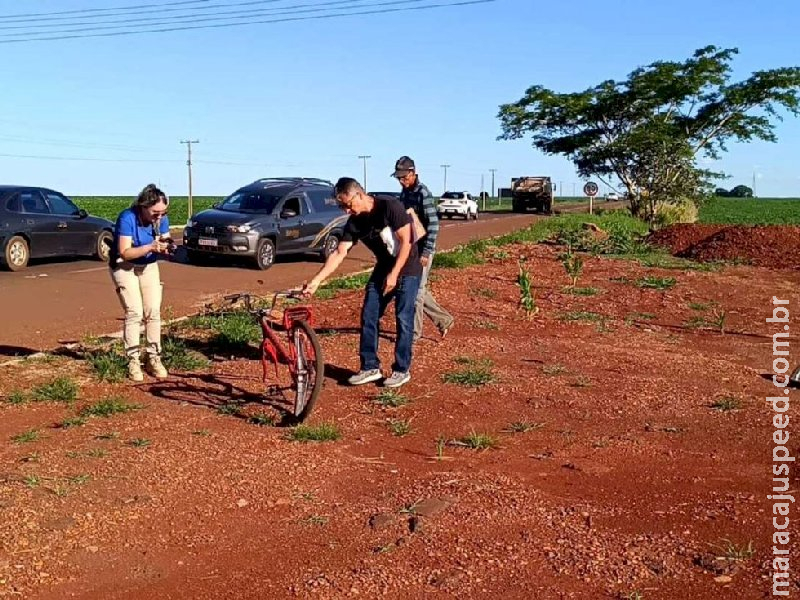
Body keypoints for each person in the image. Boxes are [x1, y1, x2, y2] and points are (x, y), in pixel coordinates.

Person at [302, 177, 421, 389]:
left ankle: (402, 370)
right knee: (369, 313)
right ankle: (370, 367)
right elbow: (339, 252)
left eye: (347, 205)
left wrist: (394, 274)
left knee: (403, 317)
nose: (346, 211)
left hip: (408, 267)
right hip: (384, 266)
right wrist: (316, 281)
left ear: (359, 194)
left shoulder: (388, 206)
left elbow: (407, 241)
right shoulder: (355, 221)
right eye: (341, 207)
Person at [109, 183, 175, 382]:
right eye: (155, 213)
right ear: (143, 207)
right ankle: (133, 360)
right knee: (135, 312)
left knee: (153, 312)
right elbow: (125, 252)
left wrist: (168, 247)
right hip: (124, 266)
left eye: (163, 212)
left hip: (148, 266)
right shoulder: (127, 218)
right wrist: (150, 247)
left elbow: (166, 239)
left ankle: (154, 357)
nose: (160, 217)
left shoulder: (160, 219)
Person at [393, 156, 454, 342]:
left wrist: (427, 252)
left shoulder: (423, 193)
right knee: (418, 289)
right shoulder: (405, 193)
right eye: (399, 178)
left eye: (404, 177)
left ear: (413, 173)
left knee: (417, 291)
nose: (401, 181)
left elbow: (434, 225)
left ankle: (413, 334)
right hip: (411, 247)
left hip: (423, 250)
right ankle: (445, 320)